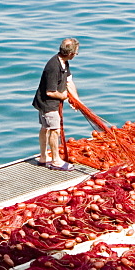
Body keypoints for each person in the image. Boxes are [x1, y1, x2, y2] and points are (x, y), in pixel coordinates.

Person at [32, 37, 80, 170]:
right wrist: (64, 96)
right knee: (55, 130)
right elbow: (50, 92)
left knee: (45, 128)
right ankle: (56, 161)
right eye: (76, 53)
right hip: (48, 104)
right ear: (70, 53)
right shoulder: (53, 67)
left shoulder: (64, 62)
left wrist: (76, 101)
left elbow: (69, 82)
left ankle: (43, 157)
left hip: (44, 102)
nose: (76, 55)